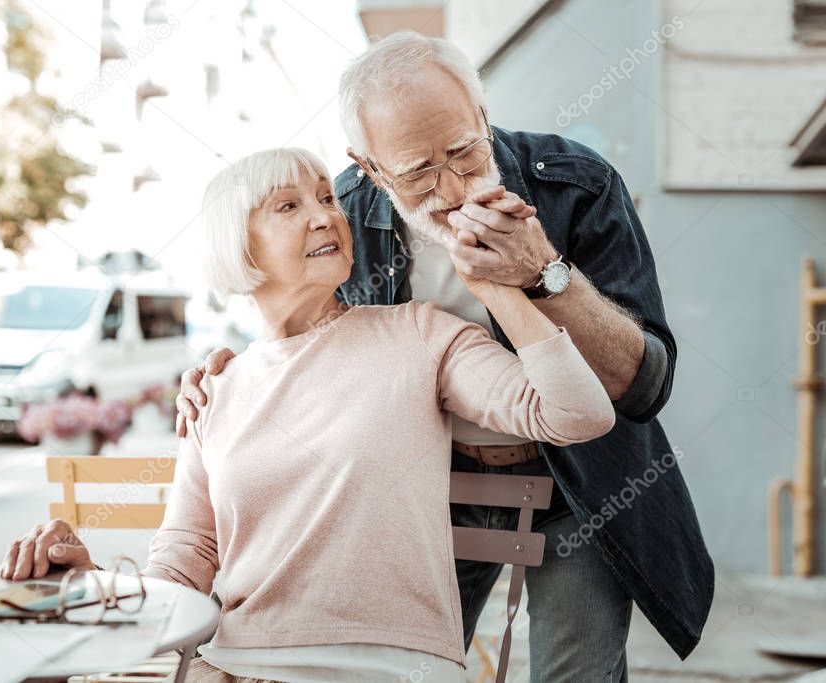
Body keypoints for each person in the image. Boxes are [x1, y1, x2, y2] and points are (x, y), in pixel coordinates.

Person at [177, 32, 715, 682]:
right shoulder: (343, 213)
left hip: (582, 478)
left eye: (464, 149)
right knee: (406, 661)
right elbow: (306, 334)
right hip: (434, 486)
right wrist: (226, 371)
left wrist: (546, 274)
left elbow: (645, 385)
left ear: (483, 118)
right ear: (370, 167)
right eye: (417, 171)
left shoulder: (578, 184)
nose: (454, 184)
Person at [2, 147, 615, 682]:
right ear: (239, 243)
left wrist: (499, 285)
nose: (326, 214)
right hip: (232, 664)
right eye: (288, 206)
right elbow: (184, 559)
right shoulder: (216, 387)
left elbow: (577, 413)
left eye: (326, 197)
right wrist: (91, 580)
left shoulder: (419, 335)